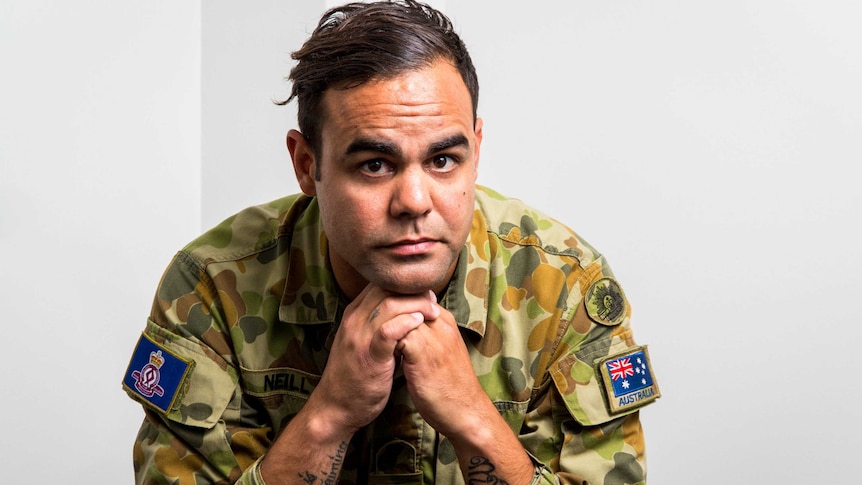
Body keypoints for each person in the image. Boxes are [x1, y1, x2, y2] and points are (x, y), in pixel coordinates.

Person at [122, 1, 660, 483]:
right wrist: (329, 414)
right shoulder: (213, 287)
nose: (415, 201)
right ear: (307, 166)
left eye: (444, 160)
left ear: (476, 147)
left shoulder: (562, 286)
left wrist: (472, 417)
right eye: (375, 165)